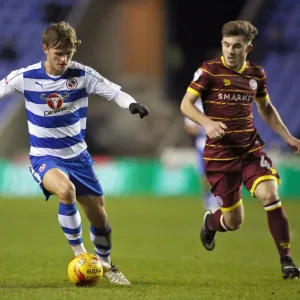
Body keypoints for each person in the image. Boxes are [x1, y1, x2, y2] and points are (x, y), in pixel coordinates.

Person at [0, 21, 149, 285]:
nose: (64, 59)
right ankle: (80, 257)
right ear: (45, 49)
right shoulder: (26, 77)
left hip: (78, 156)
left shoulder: (82, 75)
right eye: (58, 53)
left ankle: (105, 263)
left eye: (69, 53)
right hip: (45, 156)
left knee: (100, 217)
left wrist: (132, 104)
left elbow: (113, 91)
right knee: (65, 191)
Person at [180, 20, 300, 279]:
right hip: (219, 157)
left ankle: (287, 261)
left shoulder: (256, 74)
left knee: (270, 195)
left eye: (237, 46)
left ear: (248, 48)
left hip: (250, 151)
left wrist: (287, 136)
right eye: (226, 45)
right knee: (233, 222)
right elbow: (186, 105)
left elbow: (265, 108)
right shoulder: (209, 71)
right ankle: (211, 222)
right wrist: (208, 123)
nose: (230, 51)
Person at [184, 99, 218, 211]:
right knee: (204, 175)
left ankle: (216, 198)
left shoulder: (218, 106)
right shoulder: (195, 107)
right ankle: (207, 194)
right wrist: (203, 129)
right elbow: (189, 127)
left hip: (217, 146)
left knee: (217, 172)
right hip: (202, 146)